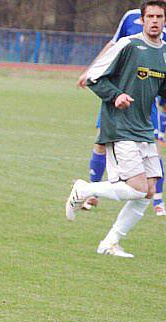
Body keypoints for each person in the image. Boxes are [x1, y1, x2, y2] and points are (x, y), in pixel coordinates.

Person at [66, 0, 166, 258]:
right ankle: (86, 189)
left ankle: (110, 242)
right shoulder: (128, 45)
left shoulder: (164, 52)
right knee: (135, 188)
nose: (154, 21)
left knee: (149, 191)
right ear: (142, 20)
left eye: (159, 17)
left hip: (143, 128)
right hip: (120, 126)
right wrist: (116, 96)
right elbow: (94, 77)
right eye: (150, 16)